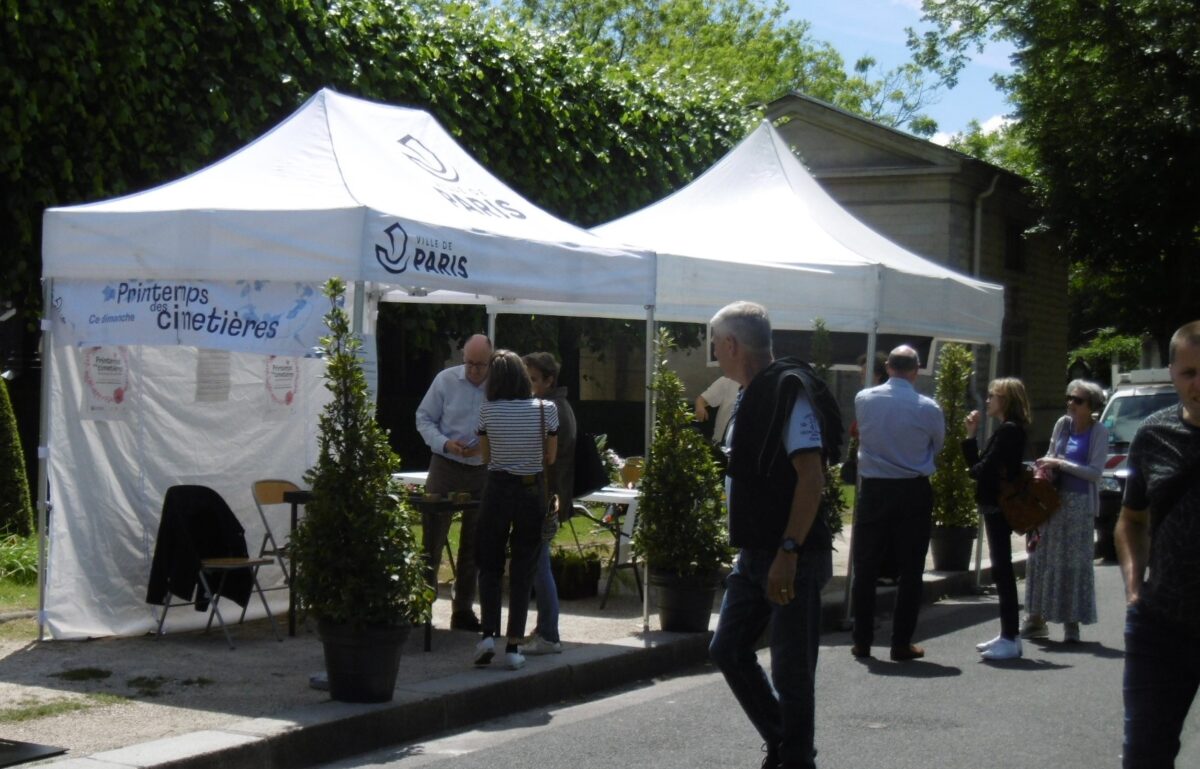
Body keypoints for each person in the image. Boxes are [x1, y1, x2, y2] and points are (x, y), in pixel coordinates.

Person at [707, 301, 842, 769]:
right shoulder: (749, 392)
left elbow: (812, 477)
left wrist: (788, 550)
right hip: (755, 552)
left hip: (791, 552)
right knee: (727, 647)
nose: (714, 356)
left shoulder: (788, 391)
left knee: (792, 671)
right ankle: (785, 743)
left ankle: (796, 759)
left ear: (731, 344)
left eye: (715, 346)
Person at [1116, 319, 1200, 769]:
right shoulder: (1153, 435)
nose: (1198, 383)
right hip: (1162, 624)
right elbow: (1130, 520)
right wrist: (1134, 588)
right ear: (1172, 373)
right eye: (1189, 372)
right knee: (1145, 755)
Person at [850, 345, 944, 662]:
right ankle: (900, 641)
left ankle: (862, 639)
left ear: (888, 367)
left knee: (865, 566)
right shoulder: (928, 407)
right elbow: (937, 445)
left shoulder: (864, 399)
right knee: (910, 569)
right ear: (916, 370)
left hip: (875, 488)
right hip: (912, 489)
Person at [473, 350, 558, 671]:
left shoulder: (487, 411)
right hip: (529, 490)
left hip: (497, 489)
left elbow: (485, 456)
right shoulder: (545, 409)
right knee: (523, 567)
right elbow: (549, 457)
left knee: (490, 563)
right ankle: (513, 646)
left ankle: (486, 635)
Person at [414, 333, 491, 632]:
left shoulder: (498, 385)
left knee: (474, 543)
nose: (474, 371)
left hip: (481, 467)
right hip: (445, 464)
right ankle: (421, 606)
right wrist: (445, 444)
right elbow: (423, 418)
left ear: (490, 361)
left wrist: (485, 447)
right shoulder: (445, 380)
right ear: (462, 358)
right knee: (432, 538)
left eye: (480, 365)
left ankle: (463, 610)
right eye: (469, 363)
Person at [1023, 379, 1108, 643]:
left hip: (1079, 505)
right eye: (1069, 398)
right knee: (1043, 557)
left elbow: (1094, 473)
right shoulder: (1062, 425)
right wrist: (1044, 467)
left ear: (1091, 406)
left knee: (1073, 563)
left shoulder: (1099, 432)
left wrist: (1061, 463)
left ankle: (1072, 624)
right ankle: (1036, 618)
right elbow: (1050, 454)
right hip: (1052, 501)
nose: (1071, 403)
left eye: (1078, 400)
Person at [963, 378, 1031, 660]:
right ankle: (1007, 633)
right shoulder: (1005, 430)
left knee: (1003, 571)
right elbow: (978, 465)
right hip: (994, 505)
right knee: (1001, 570)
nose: (988, 400)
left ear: (1006, 399)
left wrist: (976, 463)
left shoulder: (1009, 431)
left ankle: (1011, 637)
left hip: (1000, 506)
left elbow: (982, 468)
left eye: (993, 395)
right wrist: (970, 436)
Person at [521, 351, 577, 655]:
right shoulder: (557, 405)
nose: (528, 386)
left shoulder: (549, 409)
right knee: (539, 562)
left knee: (539, 564)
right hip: (551, 494)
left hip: (545, 495)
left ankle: (549, 633)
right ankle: (545, 629)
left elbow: (546, 457)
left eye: (532, 380)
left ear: (548, 380)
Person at [694, 374, 740, 446]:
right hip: (720, 442)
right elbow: (702, 399)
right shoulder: (728, 380)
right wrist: (700, 407)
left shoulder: (761, 386)